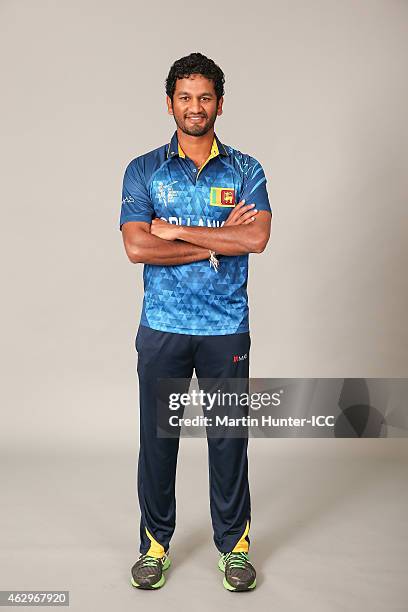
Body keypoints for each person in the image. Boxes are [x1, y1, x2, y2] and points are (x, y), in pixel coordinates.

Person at [119, 52, 272, 591]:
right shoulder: (143, 170)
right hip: (162, 326)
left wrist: (175, 235)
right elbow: (136, 247)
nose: (194, 107)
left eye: (204, 97)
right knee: (158, 441)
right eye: (184, 97)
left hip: (226, 327)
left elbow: (254, 238)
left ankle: (234, 547)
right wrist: (213, 240)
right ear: (169, 104)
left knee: (229, 438)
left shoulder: (246, 169)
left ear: (220, 104)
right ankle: (154, 545)